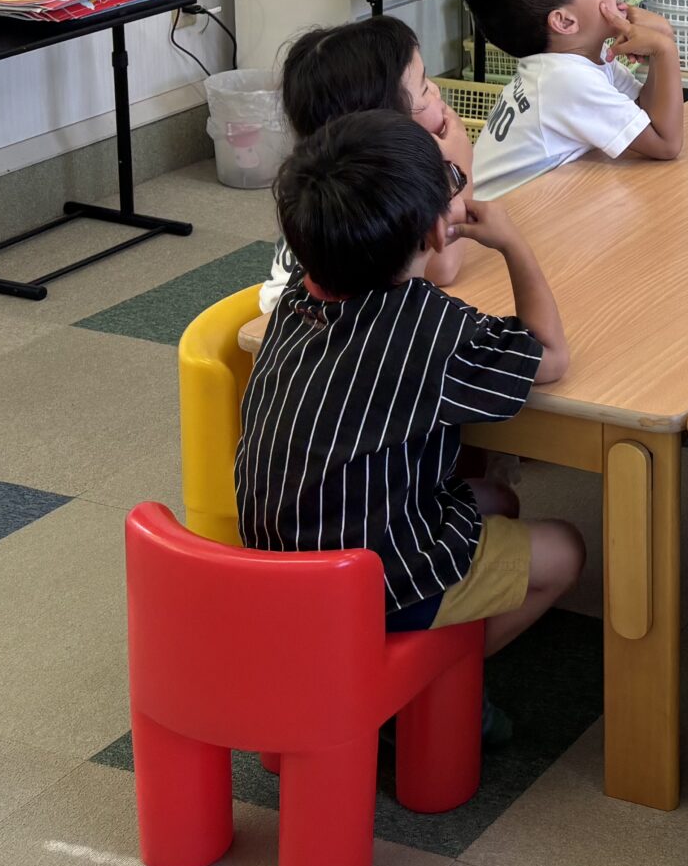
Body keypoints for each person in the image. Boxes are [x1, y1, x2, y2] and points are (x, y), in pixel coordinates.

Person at [236, 111, 586, 700]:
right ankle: (428, 683)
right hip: (376, 584)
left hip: (280, 565)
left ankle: (420, 657)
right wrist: (513, 242)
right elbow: (550, 356)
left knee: (498, 500)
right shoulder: (429, 327)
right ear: (436, 233)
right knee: (566, 549)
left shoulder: (297, 296)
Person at [260, 16, 473, 313]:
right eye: (424, 87)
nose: (437, 92)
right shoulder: (367, 192)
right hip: (304, 326)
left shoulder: (339, 174)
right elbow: (443, 269)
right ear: (386, 123)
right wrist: (461, 161)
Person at [462, 0, 685, 201]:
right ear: (565, 21)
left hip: (527, 208)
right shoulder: (566, 80)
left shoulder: (575, 62)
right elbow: (666, 143)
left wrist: (661, 39)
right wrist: (665, 49)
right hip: (494, 222)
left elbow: (645, 114)